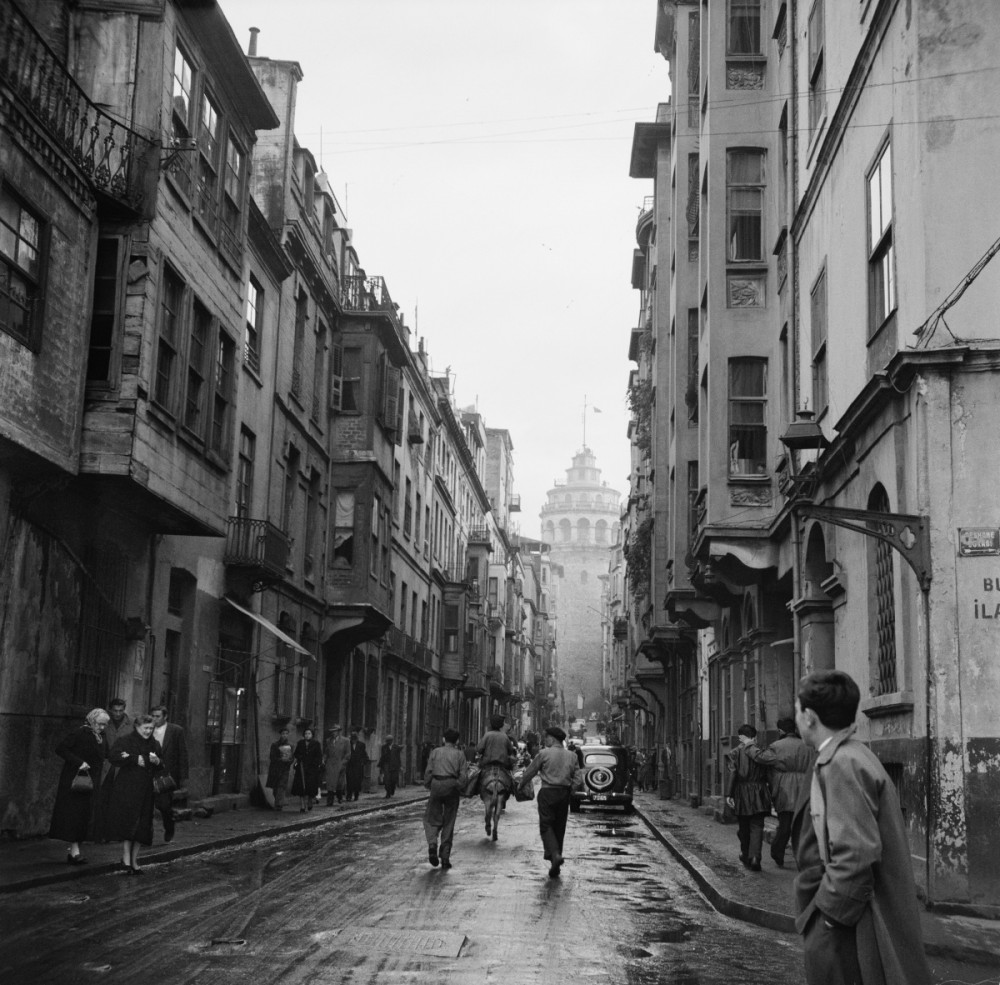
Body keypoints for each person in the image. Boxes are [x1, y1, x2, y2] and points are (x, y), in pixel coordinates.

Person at [792, 670, 931, 985]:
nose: (796, 718)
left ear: (810, 717)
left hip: (848, 926)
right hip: (847, 919)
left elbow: (855, 854)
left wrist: (827, 920)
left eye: (798, 711)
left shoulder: (842, 763)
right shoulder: (850, 754)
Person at [745, 716, 816, 867]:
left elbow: (760, 757)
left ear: (781, 731)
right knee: (802, 827)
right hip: (806, 790)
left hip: (784, 789)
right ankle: (801, 859)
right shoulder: (808, 746)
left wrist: (749, 745)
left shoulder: (777, 746)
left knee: (785, 824)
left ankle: (777, 853)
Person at [517, 725, 582, 878]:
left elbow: (530, 771)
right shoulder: (572, 756)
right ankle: (555, 861)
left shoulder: (543, 754)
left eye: (546, 737)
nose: (544, 740)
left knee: (546, 825)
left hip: (547, 792)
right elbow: (578, 778)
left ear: (552, 739)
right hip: (563, 793)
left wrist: (520, 785)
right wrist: (570, 790)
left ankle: (555, 855)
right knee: (559, 827)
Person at [48, 708, 110, 864]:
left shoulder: (101, 736)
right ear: (92, 721)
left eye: (105, 725)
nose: (102, 727)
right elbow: (61, 749)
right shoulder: (80, 733)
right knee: (75, 815)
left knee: (84, 816)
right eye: (100, 724)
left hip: (91, 782)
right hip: (75, 781)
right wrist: (79, 762)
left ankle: (75, 850)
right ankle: (74, 852)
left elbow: (107, 753)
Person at [104, 713, 163, 874]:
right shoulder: (125, 741)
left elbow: (161, 765)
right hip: (127, 788)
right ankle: (126, 858)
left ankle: (135, 860)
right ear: (137, 727)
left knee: (142, 826)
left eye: (151, 728)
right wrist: (134, 759)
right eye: (145, 728)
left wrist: (158, 762)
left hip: (146, 790)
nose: (148, 731)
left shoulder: (155, 744)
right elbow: (113, 757)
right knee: (128, 822)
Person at [726, 724, 771, 871]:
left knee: (743, 826)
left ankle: (745, 854)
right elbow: (768, 772)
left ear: (741, 737)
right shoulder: (761, 751)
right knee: (757, 826)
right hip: (759, 791)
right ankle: (755, 857)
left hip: (742, 792)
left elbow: (733, 774)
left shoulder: (735, 753)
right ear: (754, 736)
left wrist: (729, 794)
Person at [422, 728, 468, 869]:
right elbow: (463, 776)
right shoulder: (460, 754)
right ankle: (445, 857)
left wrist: (429, 785)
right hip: (451, 785)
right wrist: (458, 786)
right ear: (457, 741)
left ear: (443, 739)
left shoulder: (435, 752)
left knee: (430, 817)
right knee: (449, 820)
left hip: (436, 784)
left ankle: (432, 844)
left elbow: (429, 771)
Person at [150, 705, 188, 843]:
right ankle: (147, 834)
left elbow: (183, 753)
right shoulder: (147, 729)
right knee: (147, 805)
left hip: (167, 773)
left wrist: (183, 777)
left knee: (164, 805)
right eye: (152, 716)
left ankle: (169, 826)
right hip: (149, 771)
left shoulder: (176, 731)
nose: (154, 719)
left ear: (165, 717)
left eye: (157, 716)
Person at [476, 714, 515, 808]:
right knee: (512, 778)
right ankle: (514, 790)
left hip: (487, 764)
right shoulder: (504, 736)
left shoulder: (487, 735)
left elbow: (479, 749)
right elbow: (511, 750)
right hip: (503, 765)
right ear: (501, 725)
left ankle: (473, 790)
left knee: (476, 777)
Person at [291, 727, 323, 811]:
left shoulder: (316, 744)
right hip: (301, 768)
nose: (307, 735)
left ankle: (309, 801)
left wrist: (316, 763)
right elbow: (296, 753)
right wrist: (300, 757)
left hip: (312, 769)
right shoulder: (300, 743)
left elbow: (319, 755)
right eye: (306, 734)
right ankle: (302, 805)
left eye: (309, 734)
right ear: (303, 735)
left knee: (310, 786)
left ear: (312, 735)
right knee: (301, 787)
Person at [266, 727, 294, 811]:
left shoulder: (290, 745)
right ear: (280, 734)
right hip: (275, 769)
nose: (284, 735)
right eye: (283, 733)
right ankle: (278, 802)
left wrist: (289, 761)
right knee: (275, 787)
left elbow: (292, 758)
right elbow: (272, 757)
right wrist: (280, 759)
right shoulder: (275, 745)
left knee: (282, 786)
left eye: (286, 733)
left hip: (285, 769)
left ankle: (278, 805)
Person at [324, 725, 351, 805]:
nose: (333, 733)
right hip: (330, 764)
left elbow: (348, 754)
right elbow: (326, 752)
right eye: (332, 731)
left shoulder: (346, 741)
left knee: (339, 783)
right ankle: (330, 800)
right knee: (330, 783)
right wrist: (324, 759)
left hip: (340, 763)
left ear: (339, 732)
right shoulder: (328, 741)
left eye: (335, 731)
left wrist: (343, 763)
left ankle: (339, 796)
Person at [345, 728, 368, 801]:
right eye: (352, 736)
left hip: (358, 766)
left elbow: (365, 755)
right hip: (350, 766)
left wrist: (363, 762)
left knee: (357, 781)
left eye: (355, 736)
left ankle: (356, 795)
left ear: (357, 737)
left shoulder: (361, 745)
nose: (353, 738)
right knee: (349, 781)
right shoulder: (348, 744)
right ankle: (349, 795)